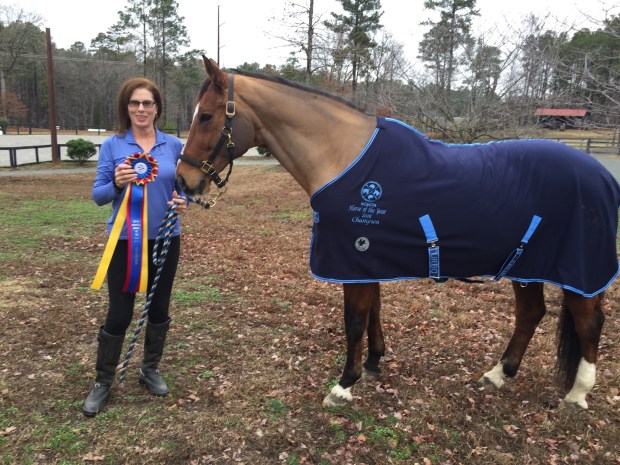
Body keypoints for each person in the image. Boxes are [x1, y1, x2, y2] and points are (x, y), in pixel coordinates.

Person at [84, 77, 187, 417]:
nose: (141, 109)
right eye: (134, 103)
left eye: (147, 103)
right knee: (120, 313)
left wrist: (183, 201)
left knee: (159, 308)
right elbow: (98, 196)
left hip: (167, 238)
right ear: (126, 108)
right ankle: (103, 381)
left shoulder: (173, 145)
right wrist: (116, 183)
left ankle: (149, 369)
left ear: (157, 108)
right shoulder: (113, 145)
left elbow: (183, 188)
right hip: (125, 240)